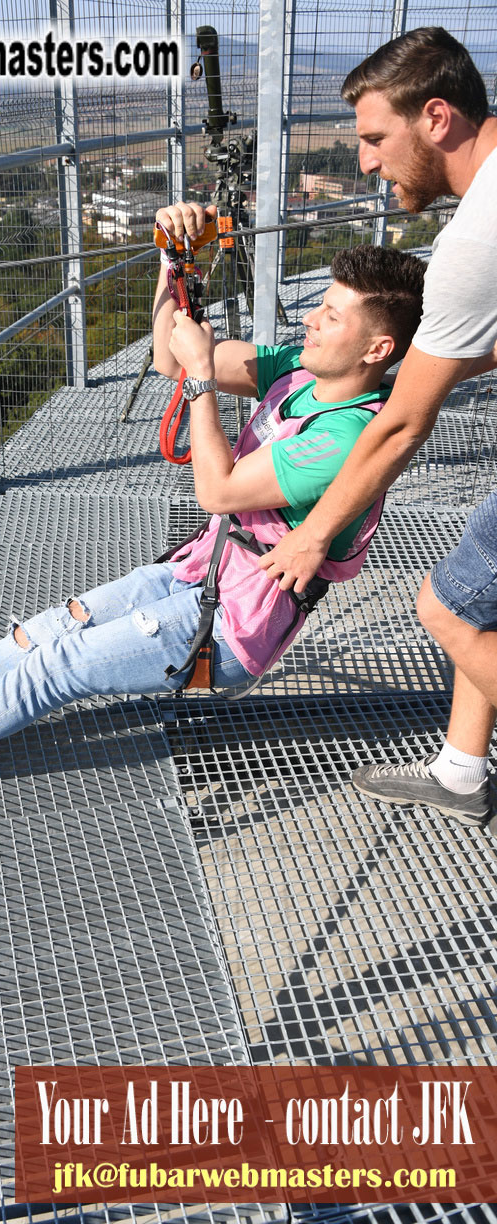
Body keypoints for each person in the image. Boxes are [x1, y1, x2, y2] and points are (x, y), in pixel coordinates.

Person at [0, 236, 424, 792]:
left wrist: (205, 378)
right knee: (44, 631)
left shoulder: (345, 435)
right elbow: (169, 358)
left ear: (378, 347)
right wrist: (171, 263)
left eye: (332, 315)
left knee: (57, 666)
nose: (312, 320)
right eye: (320, 305)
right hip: (200, 573)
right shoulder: (297, 372)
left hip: (231, 627)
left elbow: (220, 491)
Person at [254, 27, 497, 832]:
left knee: (448, 609)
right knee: (484, 603)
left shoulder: (473, 238)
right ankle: (463, 774)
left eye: (373, 138)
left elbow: (398, 428)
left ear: (436, 117)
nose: (364, 162)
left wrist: (315, 534)